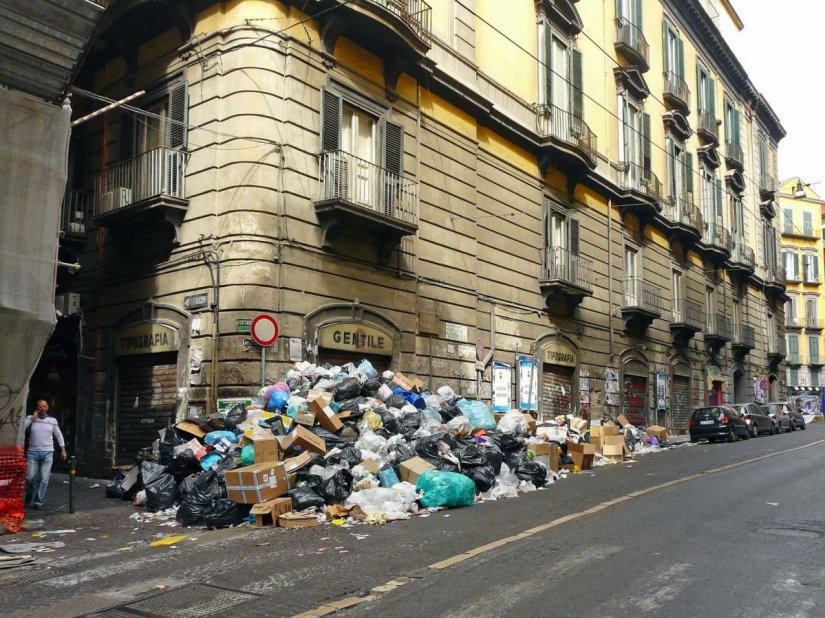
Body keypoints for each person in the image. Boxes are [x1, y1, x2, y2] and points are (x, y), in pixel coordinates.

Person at [24, 399, 66, 509]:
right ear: (36, 408)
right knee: (29, 477)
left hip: (47, 452)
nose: (42, 409)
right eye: (40, 406)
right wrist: (32, 418)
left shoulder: (52, 420)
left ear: (47, 407)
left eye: (44, 406)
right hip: (32, 452)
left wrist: (63, 449)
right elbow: (22, 427)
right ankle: (29, 492)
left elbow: (58, 434)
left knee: (44, 478)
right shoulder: (30, 419)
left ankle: (39, 501)